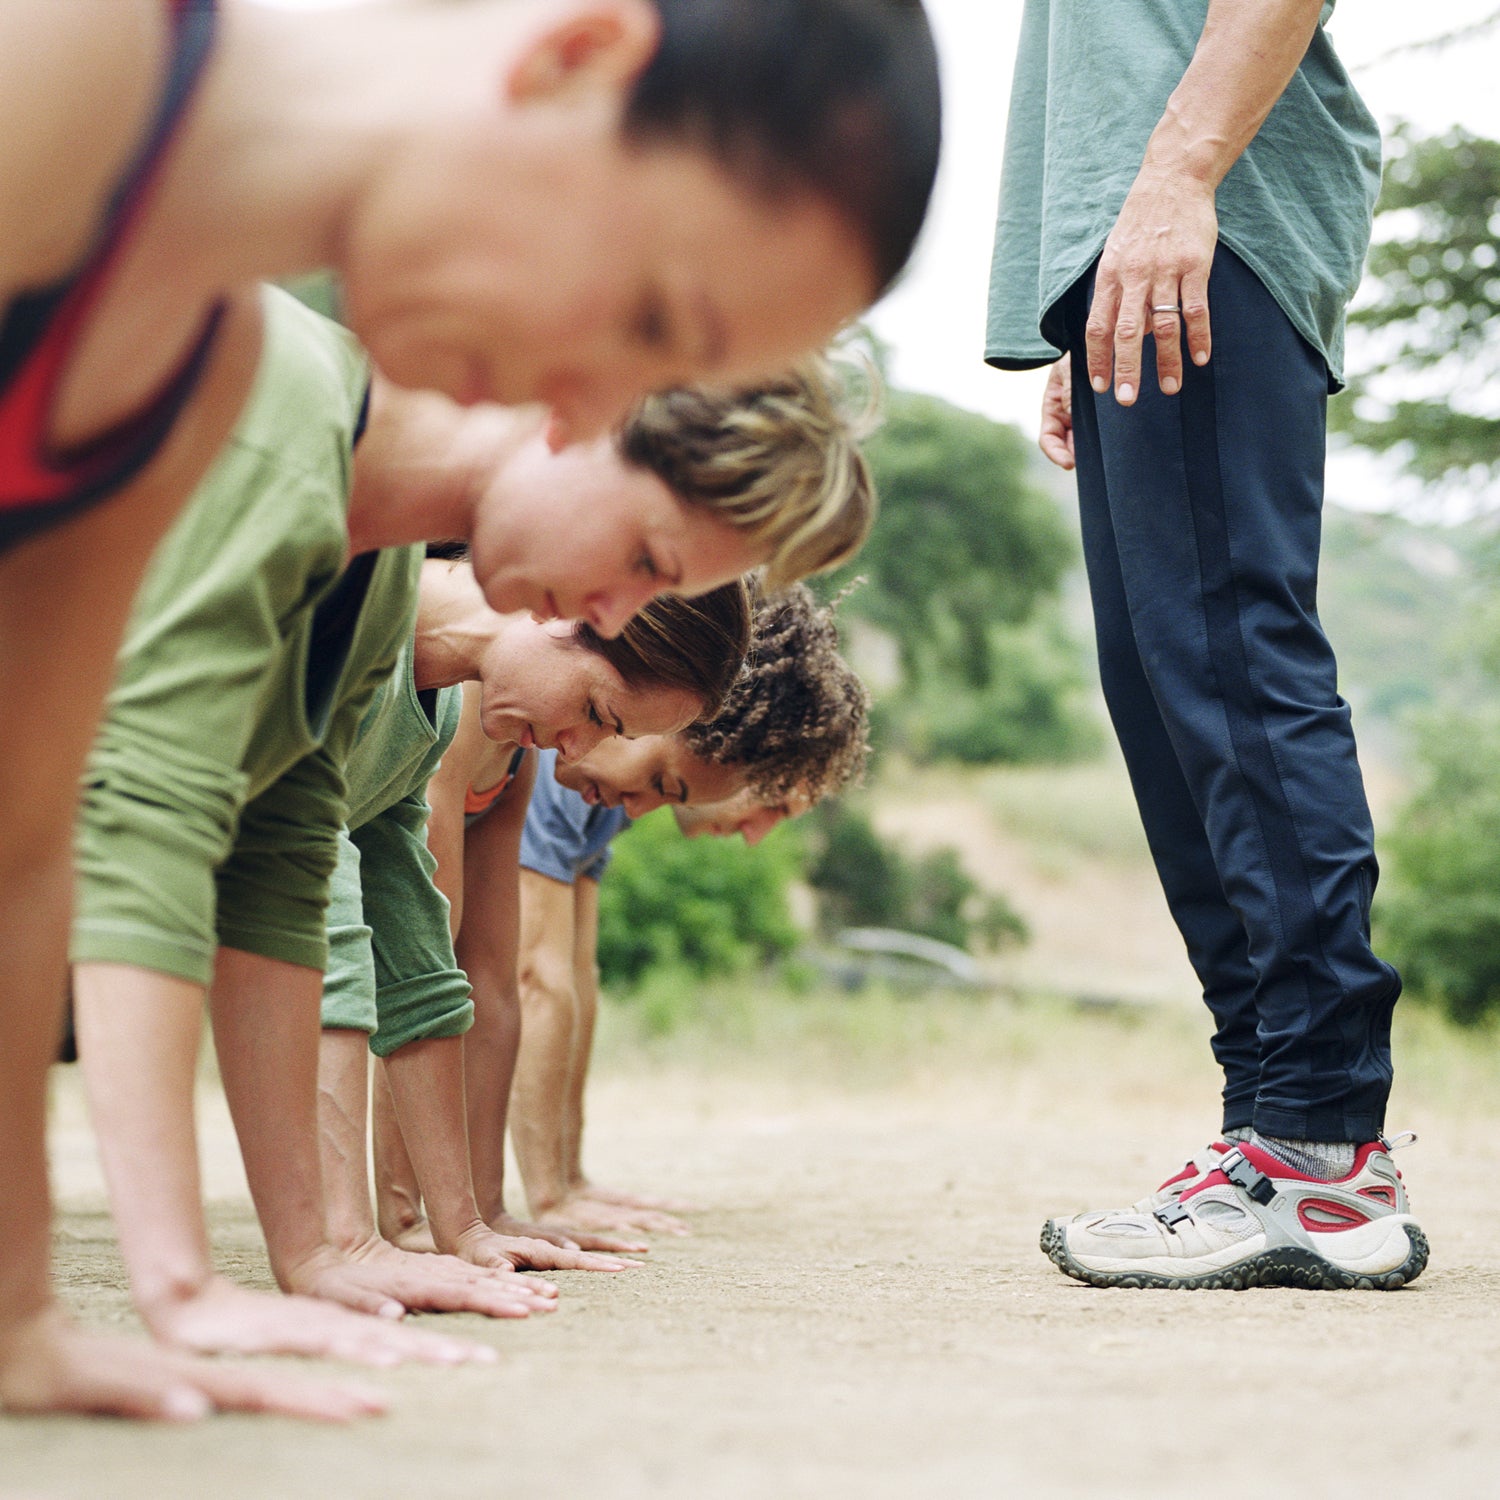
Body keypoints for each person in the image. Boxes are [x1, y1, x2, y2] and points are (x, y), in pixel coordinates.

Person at [0, 0, 941, 1417]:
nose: (580, 401)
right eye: (646, 315)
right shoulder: (72, 59)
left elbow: (41, 835)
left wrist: (33, 1321)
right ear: (575, 59)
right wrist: (188, 1279)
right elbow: (146, 820)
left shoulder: (200, 377)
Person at [65, 285, 761, 1391]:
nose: (610, 609)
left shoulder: (382, 581)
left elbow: (300, 870)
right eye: (635, 563)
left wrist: (332, 1248)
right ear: (575, 415)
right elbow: (152, 828)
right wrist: (189, 1283)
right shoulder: (298, 434)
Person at [986, 0, 1426, 1290]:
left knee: (1230, 664)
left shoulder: (1192, 189)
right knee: (1164, 689)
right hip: (1136, 247)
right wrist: (1089, 278)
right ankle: (1267, 1134)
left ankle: (1321, 1148)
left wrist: (1175, 183)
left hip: (1207, 219)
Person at [317, 557, 749, 1286]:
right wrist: (349, 1242)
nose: (575, 749)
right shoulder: (341, 614)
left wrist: (465, 1226)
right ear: (571, 609)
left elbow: (416, 961)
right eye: (599, 713)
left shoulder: (438, 710)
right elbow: (323, 935)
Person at [510, 584, 869, 1239]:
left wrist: (571, 1182)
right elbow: (536, 983)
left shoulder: (605, 802)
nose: (759, 834)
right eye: (774, 807)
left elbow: (578, 980)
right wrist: (548, 1202)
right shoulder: (568, 768)